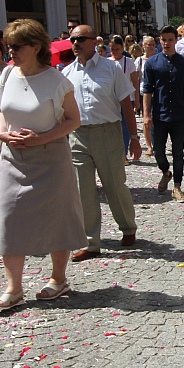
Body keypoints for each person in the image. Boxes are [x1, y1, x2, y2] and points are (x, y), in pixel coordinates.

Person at [0, 19, 87, 309]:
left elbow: (73, 120)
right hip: (13, 159)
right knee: (9, 216)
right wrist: (3, 131)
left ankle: (58, 278)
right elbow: (0, 111)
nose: (11, 52)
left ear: (35, 47)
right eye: (9, 47)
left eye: (17, 47)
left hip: (50, 158)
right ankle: (13, 287)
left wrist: (40, 137)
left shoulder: (57, 81)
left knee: (57, 216)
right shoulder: (7, 74)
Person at [63, 24, 141, 261]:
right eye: (72, 40)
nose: (75, 44)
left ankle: (128, 228)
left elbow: (126, 105)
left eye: (80, 39)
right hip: (78, 135)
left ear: (94, 42)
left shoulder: (111, 69)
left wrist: (135, 138)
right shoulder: (66, 73)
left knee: (114, 185)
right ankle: (91, 242)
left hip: (108, 133)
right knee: (82, 189)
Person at [142, 25, 184, 202]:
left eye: (170, 39)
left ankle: (177, 187)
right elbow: (147, 90)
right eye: (164, 39)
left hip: (179, 115)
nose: (167, 43)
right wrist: (146, 114)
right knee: (158, 151)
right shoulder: (152, 63)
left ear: (176, 40)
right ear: (160, 40)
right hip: (159, 114)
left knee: (178, 152)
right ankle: (166, 172)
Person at [108, 35, 139, 160]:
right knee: (113, 126)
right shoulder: (108, 62)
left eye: (117, 49)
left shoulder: (128, 61)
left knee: (125, 126)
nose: (115, 52)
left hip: (127, 97)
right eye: (112, 49)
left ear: (122, 48)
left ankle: (124, 153)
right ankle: (114, 152)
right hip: (111, 99)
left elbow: (135, 81)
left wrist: (137, 99)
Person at [135, 35, 158, 156]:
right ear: (143, 46)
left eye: (153, 44)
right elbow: (136, 79)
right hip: (143, 92)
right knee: (147, 118)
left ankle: (158, 143)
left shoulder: (159, 59)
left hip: (157, 92)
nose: (151, 47)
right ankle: (149, 146)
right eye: (148, 44)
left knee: (158, 119)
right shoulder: (139, 60)